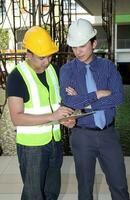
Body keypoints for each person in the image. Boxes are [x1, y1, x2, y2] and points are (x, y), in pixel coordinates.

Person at [59, 18, 130, 200]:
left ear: (94, 43)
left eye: (82, 46)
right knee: (85, 189)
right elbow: (68, 100)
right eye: (74, 47)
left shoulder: (107, 67)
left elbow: (118, 97)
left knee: (120, 186)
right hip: (82, 136)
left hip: (109, 135)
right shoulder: (67, 70)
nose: (77, 51)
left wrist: (83, 102)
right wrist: (97, 94)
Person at [6, 26, 75, 200]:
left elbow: (57, 105)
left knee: (52, 192)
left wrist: (68, 118)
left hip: (55, 143)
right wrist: (53, 117)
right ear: (28, 54)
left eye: (50, 56)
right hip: (32, 148)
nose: (47, 61)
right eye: (42, 57)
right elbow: (16, 118)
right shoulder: (16, 76)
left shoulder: (54, 71)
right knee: (33, 194)